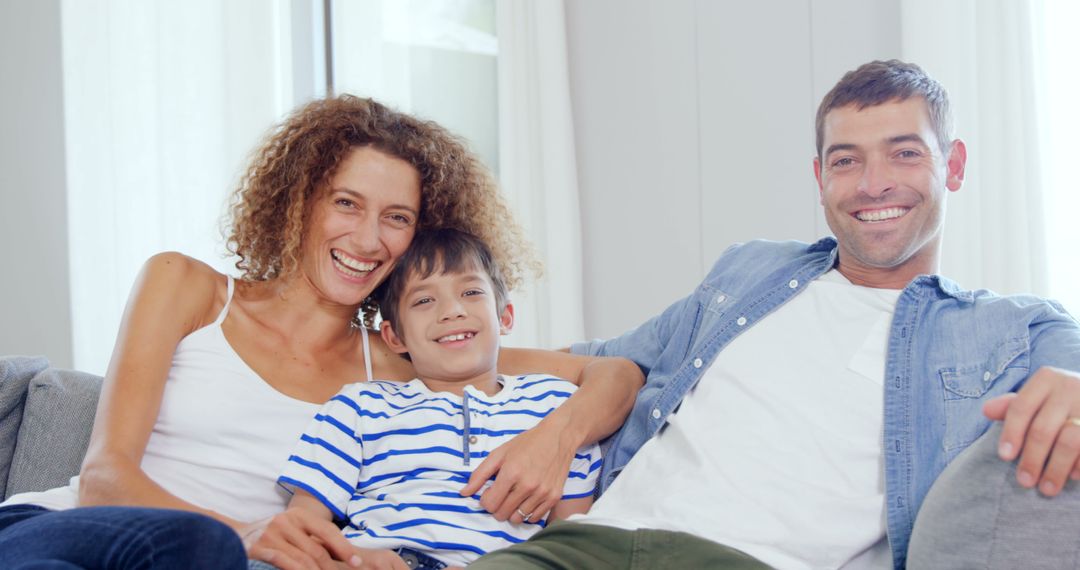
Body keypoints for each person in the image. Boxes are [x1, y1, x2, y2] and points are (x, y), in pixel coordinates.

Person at [469, 60, 1080, 570]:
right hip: (586, 545)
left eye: (903, 154)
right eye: (845, 161)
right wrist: (406, 357)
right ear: (820, 178)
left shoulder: (1015, 330)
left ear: (953, 165)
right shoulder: (751, 272)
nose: (873, 184)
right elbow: (599, 358)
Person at [0, 96, 641, 570]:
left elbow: (614, 371)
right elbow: (105, 479)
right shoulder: (187, 287)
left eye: (397, 218)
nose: (367, 240)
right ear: (298, 200)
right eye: (346, 203)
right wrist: (244, 533)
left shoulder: (397, 361)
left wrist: (556, 440)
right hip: (68, 532)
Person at [278, 228, 600, 569]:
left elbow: (570, 545)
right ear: (395, 336)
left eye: (471, 291)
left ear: (505, 316)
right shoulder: (360, 407)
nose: (452, 311)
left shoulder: (558, 405)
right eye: (424, 301)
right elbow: (302, 526)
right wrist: (354, 558)